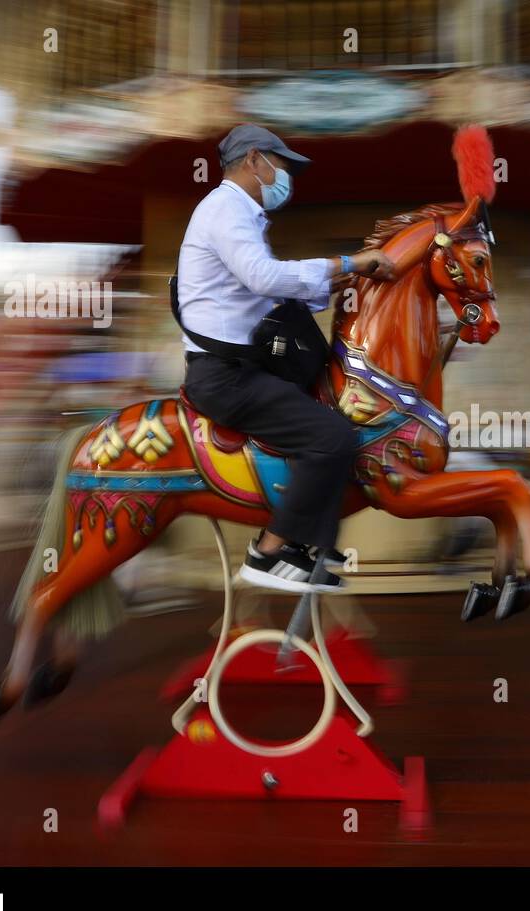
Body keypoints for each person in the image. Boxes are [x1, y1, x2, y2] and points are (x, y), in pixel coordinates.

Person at [178, 124, 394, 593]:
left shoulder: (238, 214)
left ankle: (305, 543)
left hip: (239, 366)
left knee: (325, 408)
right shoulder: (224, 209)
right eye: (281, 165)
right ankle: (268, 551)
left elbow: (259, 294)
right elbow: (263, 277)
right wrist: (350, 263)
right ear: (255, 159)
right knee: (334, 435)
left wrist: (329, 284)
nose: (284, 176)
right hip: (225, 377)